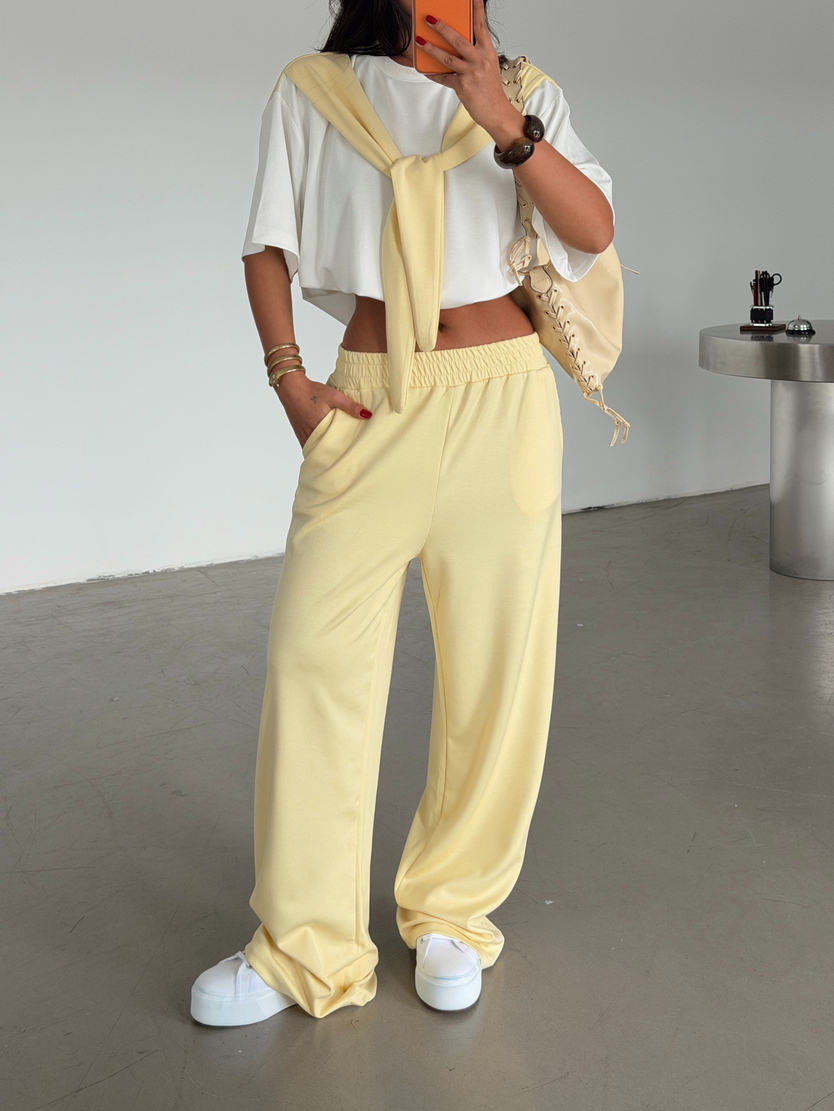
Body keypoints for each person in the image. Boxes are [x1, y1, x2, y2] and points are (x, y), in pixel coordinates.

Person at [190, 0, 614, 1024]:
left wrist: (501, 121)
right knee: (313, 658)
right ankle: (303, 944)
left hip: (502, 400)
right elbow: (266, 243)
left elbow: (593, 229)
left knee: (496, 671)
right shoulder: (313, 90)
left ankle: (452, 913)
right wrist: (290, 381)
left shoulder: (523, 92)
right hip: (371, 399)